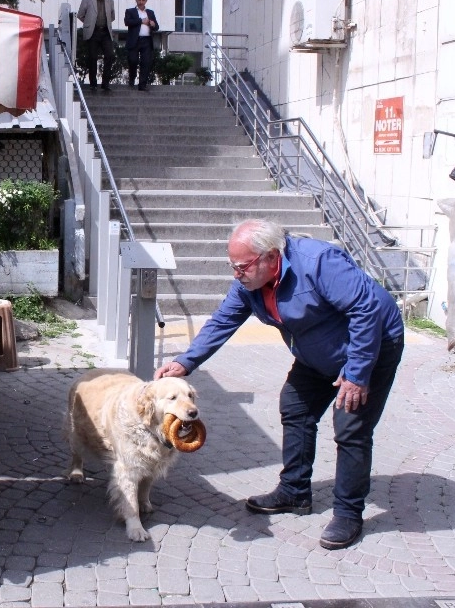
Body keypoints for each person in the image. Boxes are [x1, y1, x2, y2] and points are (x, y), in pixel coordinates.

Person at [153, 219, 404, 550]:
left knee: (350, 428)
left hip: (370, 347)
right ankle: (295, 491)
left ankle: (347, 513)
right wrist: (186, 361)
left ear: (271, 257)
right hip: (317, 352)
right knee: (295, 406)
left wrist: (357, 374)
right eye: (232, 266)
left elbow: (366, 310)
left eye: (242, 267)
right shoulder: (250, 282)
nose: (236, 274)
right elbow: (224, 320)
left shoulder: (318, 263)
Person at [76, 0, 116, 92]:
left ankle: (105, 83)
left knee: (110, 55)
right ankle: (93, 83)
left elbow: (112, 16)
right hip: (93, 32)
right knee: (92, 57)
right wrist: (89, 23)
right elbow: (80, 15)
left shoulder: (109, 1)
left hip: (105, 32)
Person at [123, 0, 157, 91]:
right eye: (139, 0)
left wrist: (152, 24)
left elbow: (156, 27)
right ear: (136, 0)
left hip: (147, 40)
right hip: (134, 40)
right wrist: (141, 21)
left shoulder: (150, 12)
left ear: (146, 1)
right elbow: (127, 22)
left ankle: (142, 85)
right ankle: (132, 78)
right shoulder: (130, 11)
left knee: (146, 62)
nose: (141, 2)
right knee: (133, 61)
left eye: (143, 0)